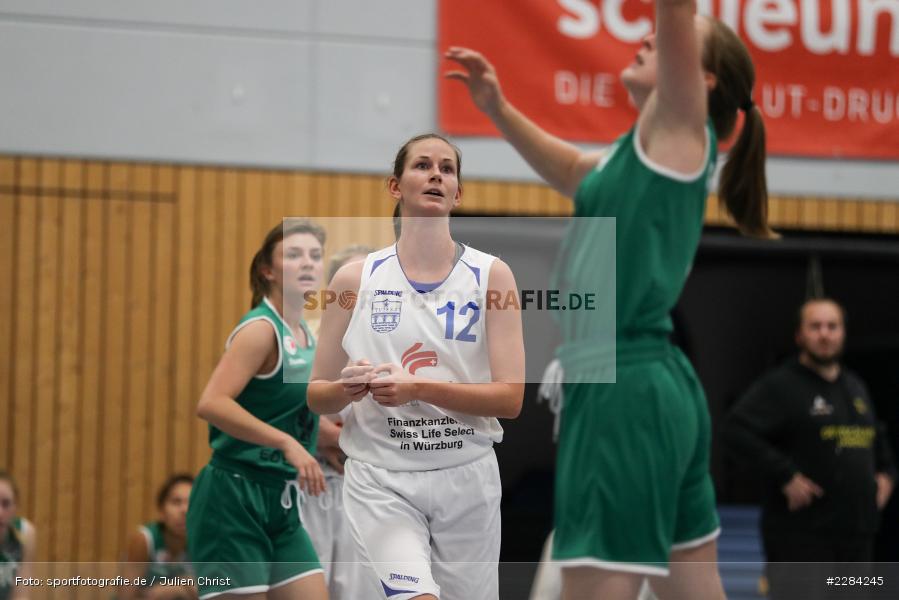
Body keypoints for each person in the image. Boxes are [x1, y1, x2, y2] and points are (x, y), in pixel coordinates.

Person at [446, 1, 773, 598]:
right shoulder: (641, 150)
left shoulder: (679, 125)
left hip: (622, 389)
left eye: (666, 39)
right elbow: (573, 168)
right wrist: (497, 108)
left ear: (700, 82)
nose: (647, 38)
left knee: (597, 588)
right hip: (659, 386)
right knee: (695, 589)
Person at [308, 133, 525, 600]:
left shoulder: (492, 275)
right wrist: (347, 388)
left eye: (447, 169)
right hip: (381, 477)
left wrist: (419, 388)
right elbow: (316, 392)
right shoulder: (354, 278)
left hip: (466, 474)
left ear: (458, 193)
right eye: (422, 165)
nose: (435, 175)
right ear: (395, 186)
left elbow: (510, 399)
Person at [188, 219, 328, 600]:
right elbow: (212, 403)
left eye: (315, 256)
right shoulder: (261, 329)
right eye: (294, 255)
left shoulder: (306, 333)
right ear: (268, 270)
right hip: (233, 495)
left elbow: (292, 415)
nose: (307, 263)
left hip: (279, 499)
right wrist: (287, 444)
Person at [724, 298, 896, 600]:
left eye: (833, 326)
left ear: (843, 333)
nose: (825, 334)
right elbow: (735, 430)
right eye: (815, 327)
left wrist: (887, 476)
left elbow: (876, 439)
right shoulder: (781, 385)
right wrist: (785, 474)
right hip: (802, 540)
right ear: (799, 336)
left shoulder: (855, 386)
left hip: (856, 540)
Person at [303, 244, 381, 600]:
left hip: (370, 487)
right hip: (310, 489)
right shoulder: (304, 341)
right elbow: (263, 407)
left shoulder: (391, 344)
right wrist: (310, 430)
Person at [119, 474, 196, 600]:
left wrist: (179, 587)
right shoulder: (144, 540)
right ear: (162, 511)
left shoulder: (205, 543)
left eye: (192, 502)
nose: (184, 510)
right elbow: (125, 596)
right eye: (176, 502)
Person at [0, 472, 35, 600]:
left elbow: (22, 595)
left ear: (16, 507)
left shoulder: (25, 534)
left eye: (6, 504)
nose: (0, 513)